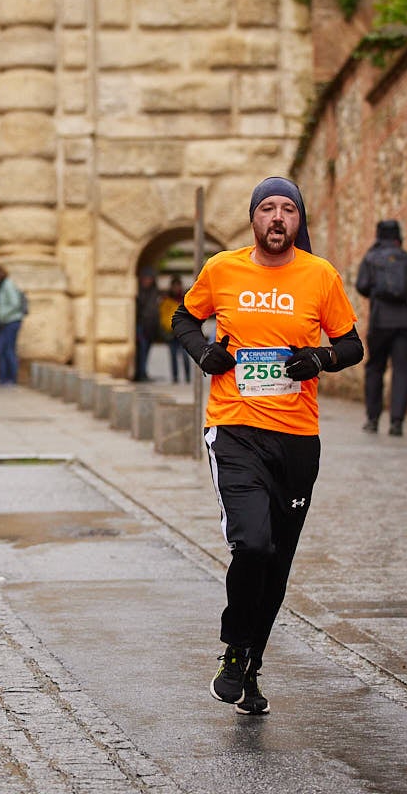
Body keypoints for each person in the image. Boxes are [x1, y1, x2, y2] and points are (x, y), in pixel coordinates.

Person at [171, 176, 363, 716]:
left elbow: (352, 344)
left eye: (288, 210)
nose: (277, 218)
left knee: (276, 562)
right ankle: (234, 646)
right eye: (268, 209)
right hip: (233, 426)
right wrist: (203, 353)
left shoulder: (320, 275)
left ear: (299, 221)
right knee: (252, 544)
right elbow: (184, 316)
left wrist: (319, 360)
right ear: (254, 218)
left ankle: (250, 664)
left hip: (298, 439)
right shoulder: (223, 269)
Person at [355, 219, 407, 437]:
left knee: (375, 368)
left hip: (380, 321)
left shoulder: (371, 258)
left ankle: (373, 419)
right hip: (406, 323)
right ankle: (397, 422)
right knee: (402, 371)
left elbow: (362, 286)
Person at [0, 264, 24, 386]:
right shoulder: (0, 285)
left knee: (8, 349)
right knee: (2, 349)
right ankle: (3, 378)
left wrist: (1, 314)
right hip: (5, 321)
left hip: (11, 321)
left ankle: (11, 378)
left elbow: (15, 303)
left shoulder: (7, 285)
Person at [161, 275, 192, 384]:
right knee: (173, 355)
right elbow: (164, 315)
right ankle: (175, 377)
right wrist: (168, 326)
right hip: (171, 332)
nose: (176, 288)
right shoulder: (167, 300)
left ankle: (188, 376)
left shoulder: (185, 299)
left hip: (183, 332)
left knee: (185, 356)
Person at [133, 269, 162, 382]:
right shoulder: (139, 292)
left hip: (151, 326)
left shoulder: (154, 292)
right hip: (141, 325)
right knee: (142, 350)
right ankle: (140, 373)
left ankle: (143, 372)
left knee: (146, 350)